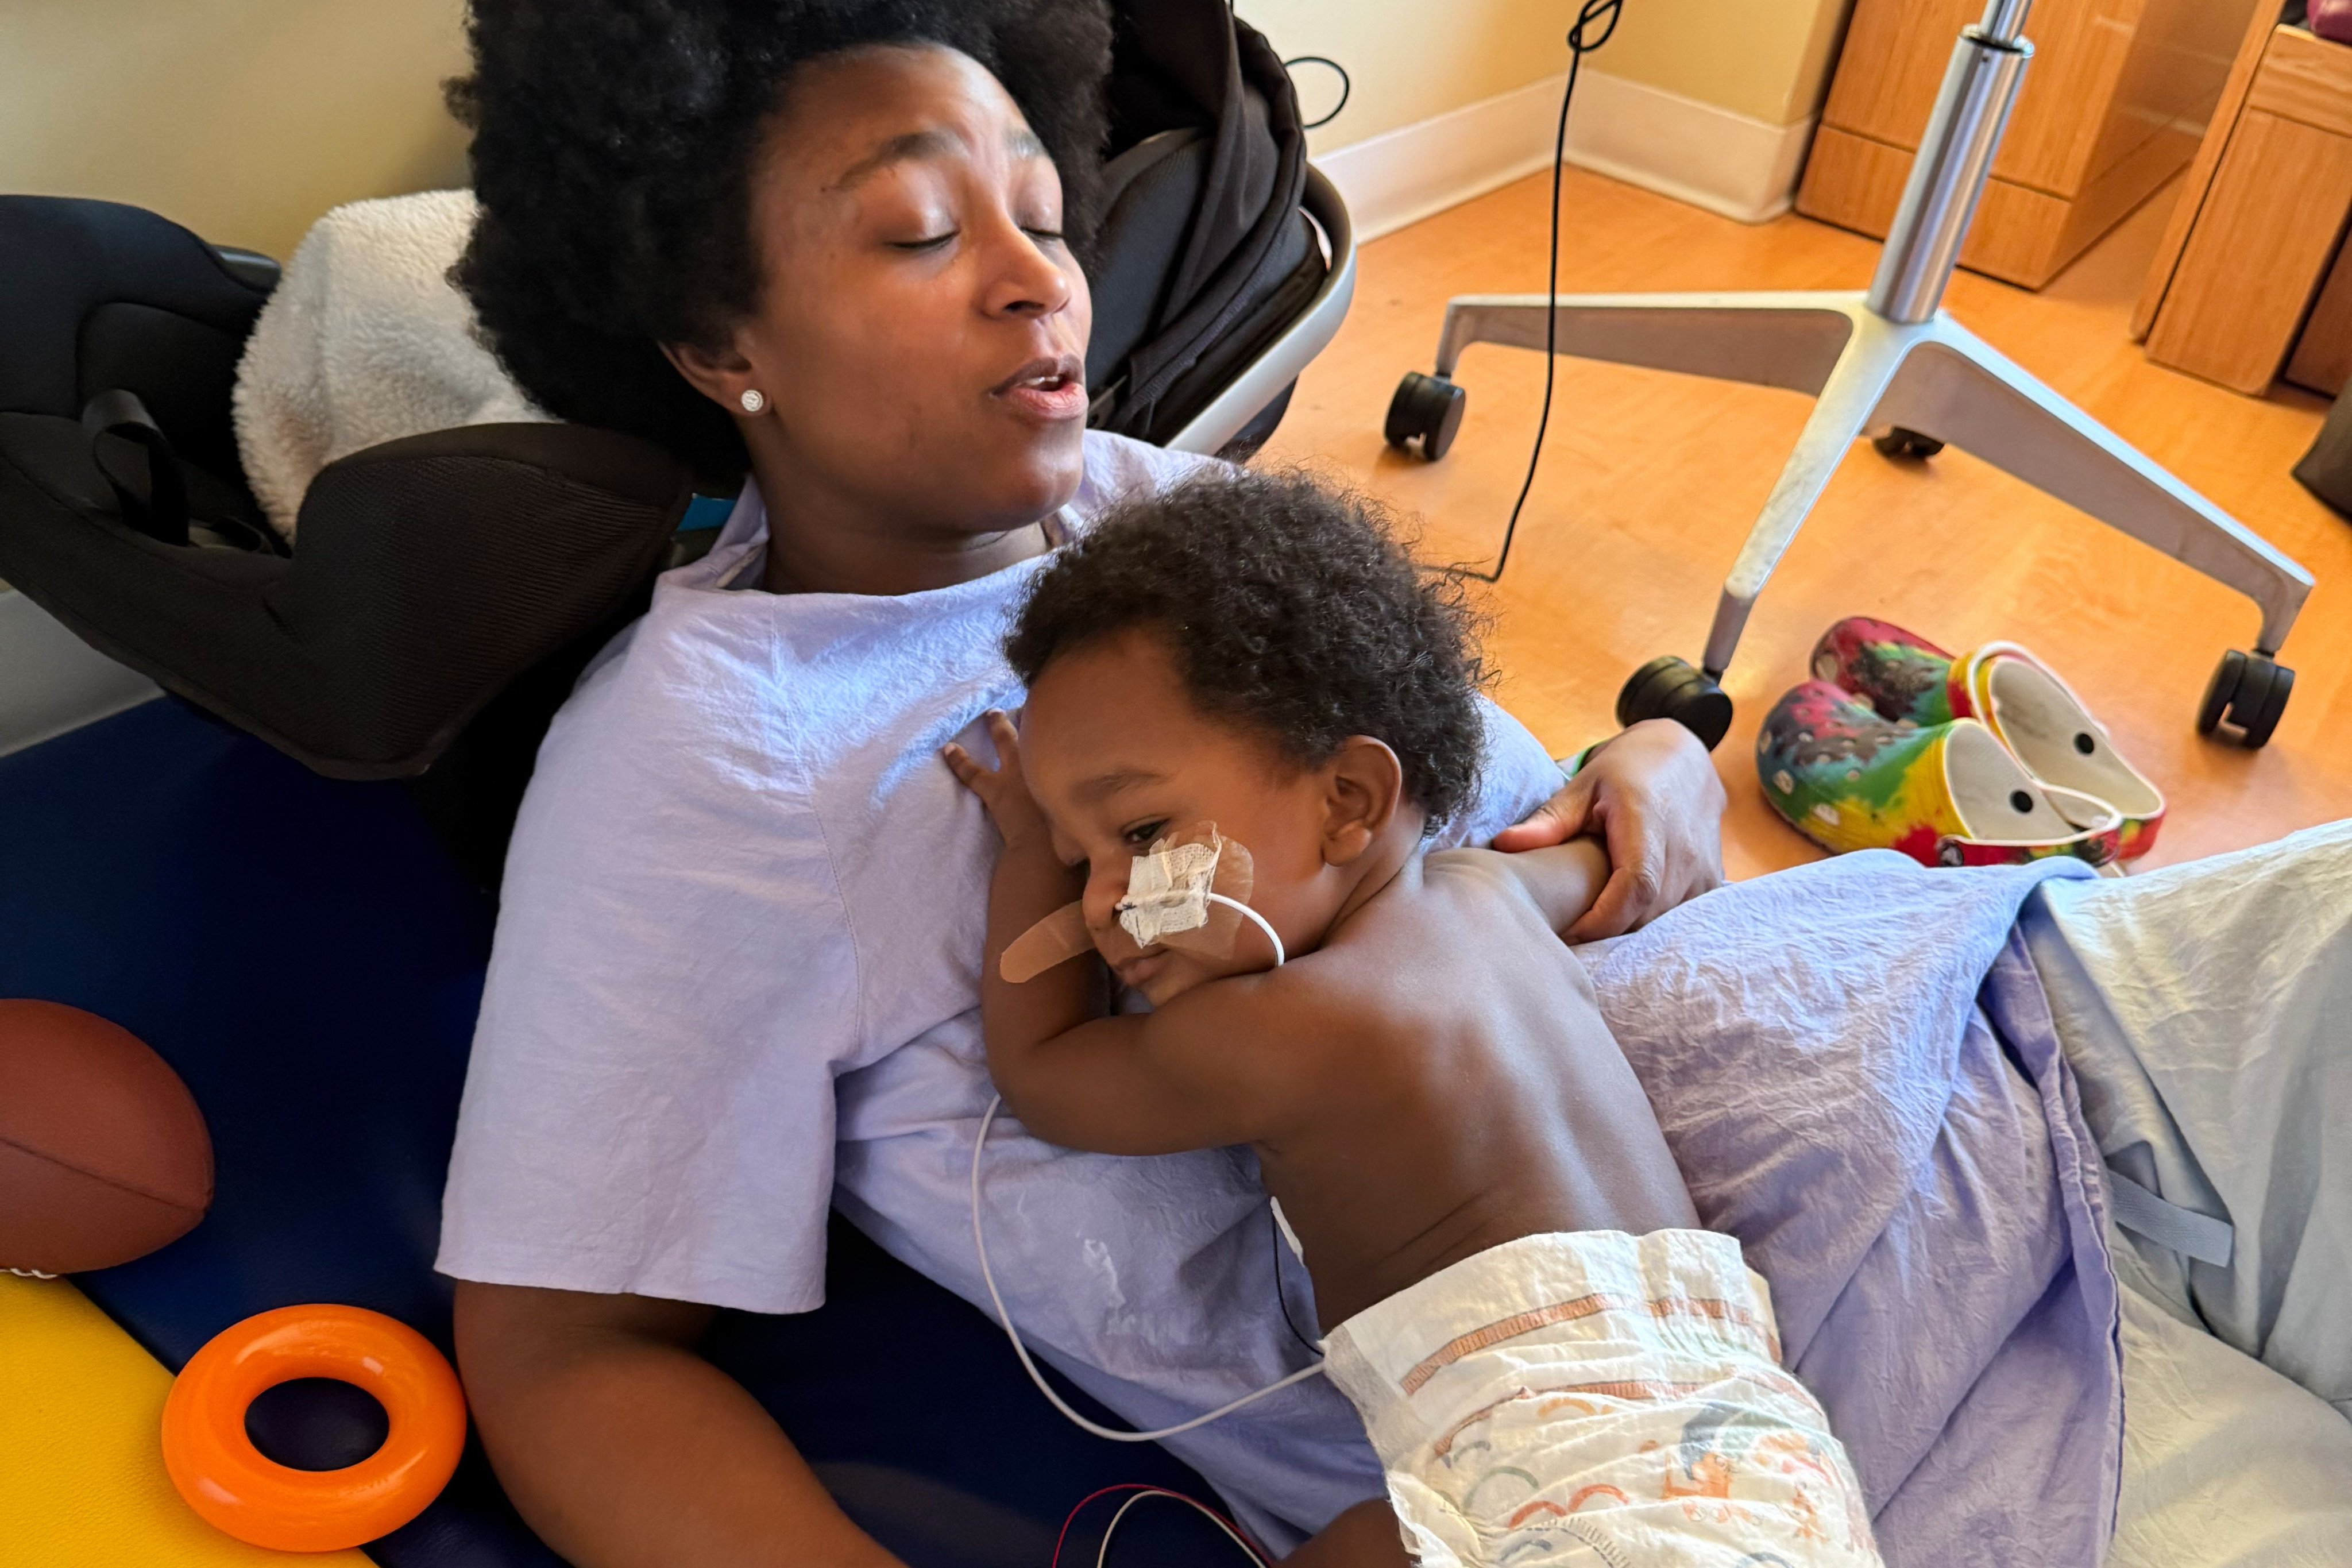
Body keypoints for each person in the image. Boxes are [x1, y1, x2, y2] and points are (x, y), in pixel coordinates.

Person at [434, 6, 1727, 1565]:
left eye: (1046, 215)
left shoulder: (1164, 518)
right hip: (1556, 1461)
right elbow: (563, 1358)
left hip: (1779, 1198)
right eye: (922, 232)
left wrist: (1650, 764)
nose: (1040, 277)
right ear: (723, 347)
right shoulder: (712, 765)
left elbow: (1471, 838)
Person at [943, 469, 1881, 1568]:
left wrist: (1021, 858)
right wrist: (1645, 750)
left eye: (1141, 833)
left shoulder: (1284, 1028)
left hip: (1569, 1483)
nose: (1101, 900)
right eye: (1074, 858)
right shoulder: (1493, 893)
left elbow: (1045, 1070)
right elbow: (1633, 867)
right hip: (1769, 1465)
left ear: (1349, 801)